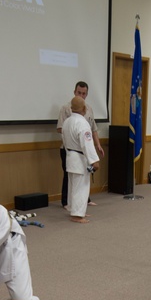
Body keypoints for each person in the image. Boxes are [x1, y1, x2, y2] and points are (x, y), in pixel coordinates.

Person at [57, 81, 104, 210]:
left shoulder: (88, 109)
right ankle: (67, 202)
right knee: (72, 178)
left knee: (82, 179)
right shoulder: (67, 109)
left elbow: (93, 129)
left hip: (82, 149)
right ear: (74, 92)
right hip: (71, 149)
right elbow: (62, 129)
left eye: (84, 93)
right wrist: (95, 160)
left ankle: (83, 202)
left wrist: (98, 145)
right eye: (79, 93)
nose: (81, 95)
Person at [61, 96, 100, 224]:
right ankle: (77, 215)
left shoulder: (67, 122)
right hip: (79, 158)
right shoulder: (83, 123)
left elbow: (65, 141)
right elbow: (86, 144)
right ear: (84, 108)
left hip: (70, 156)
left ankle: (75, 209)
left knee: (73, 186)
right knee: (81, 188)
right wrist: (94, 160)